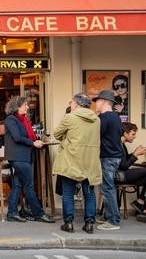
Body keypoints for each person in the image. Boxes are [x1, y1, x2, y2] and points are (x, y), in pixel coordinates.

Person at [52, 93, 102, 234]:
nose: (70, 105)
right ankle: (89, 224)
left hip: (71, 160)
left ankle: (68, 223)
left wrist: (66, 137)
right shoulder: (97, 120)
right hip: (90, 162)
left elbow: (56, 134)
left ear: (75, 104)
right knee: (89, 193)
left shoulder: (70, 117)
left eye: (71, 102)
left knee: (68, 193)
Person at [4, 96, 55, 223]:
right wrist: (33, 143)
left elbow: (26, 136)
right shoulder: (11, 119)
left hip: (23, 156)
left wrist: (35, 141)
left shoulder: (23, 120)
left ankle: (12, 213)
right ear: (17, 106)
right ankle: (39, 213)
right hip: (18, 156)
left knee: (17, 184)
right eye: (25, 105)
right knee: (29, 185)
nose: (27, 107)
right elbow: (17, 137)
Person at [93, 89, 123, 230]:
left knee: (107, 189)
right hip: (115, 156)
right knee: (108, 188)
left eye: (97, 101)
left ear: (103, 101)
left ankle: (113, 220)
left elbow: (95, 136)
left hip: (107, 157)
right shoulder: (116, 117)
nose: (96, 104)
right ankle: (107, 215)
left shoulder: (104, 118)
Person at [118, 122, 146, 216]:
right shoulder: (118, 145)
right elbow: (123, 166)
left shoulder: (122, 144)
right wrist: (136, 154)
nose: (135, 137)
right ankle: (140, 202)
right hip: (120, 175)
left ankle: (140, 202)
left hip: (123, 173)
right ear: (125, 134)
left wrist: (135, 152)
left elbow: (124, 161)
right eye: (133, 134)